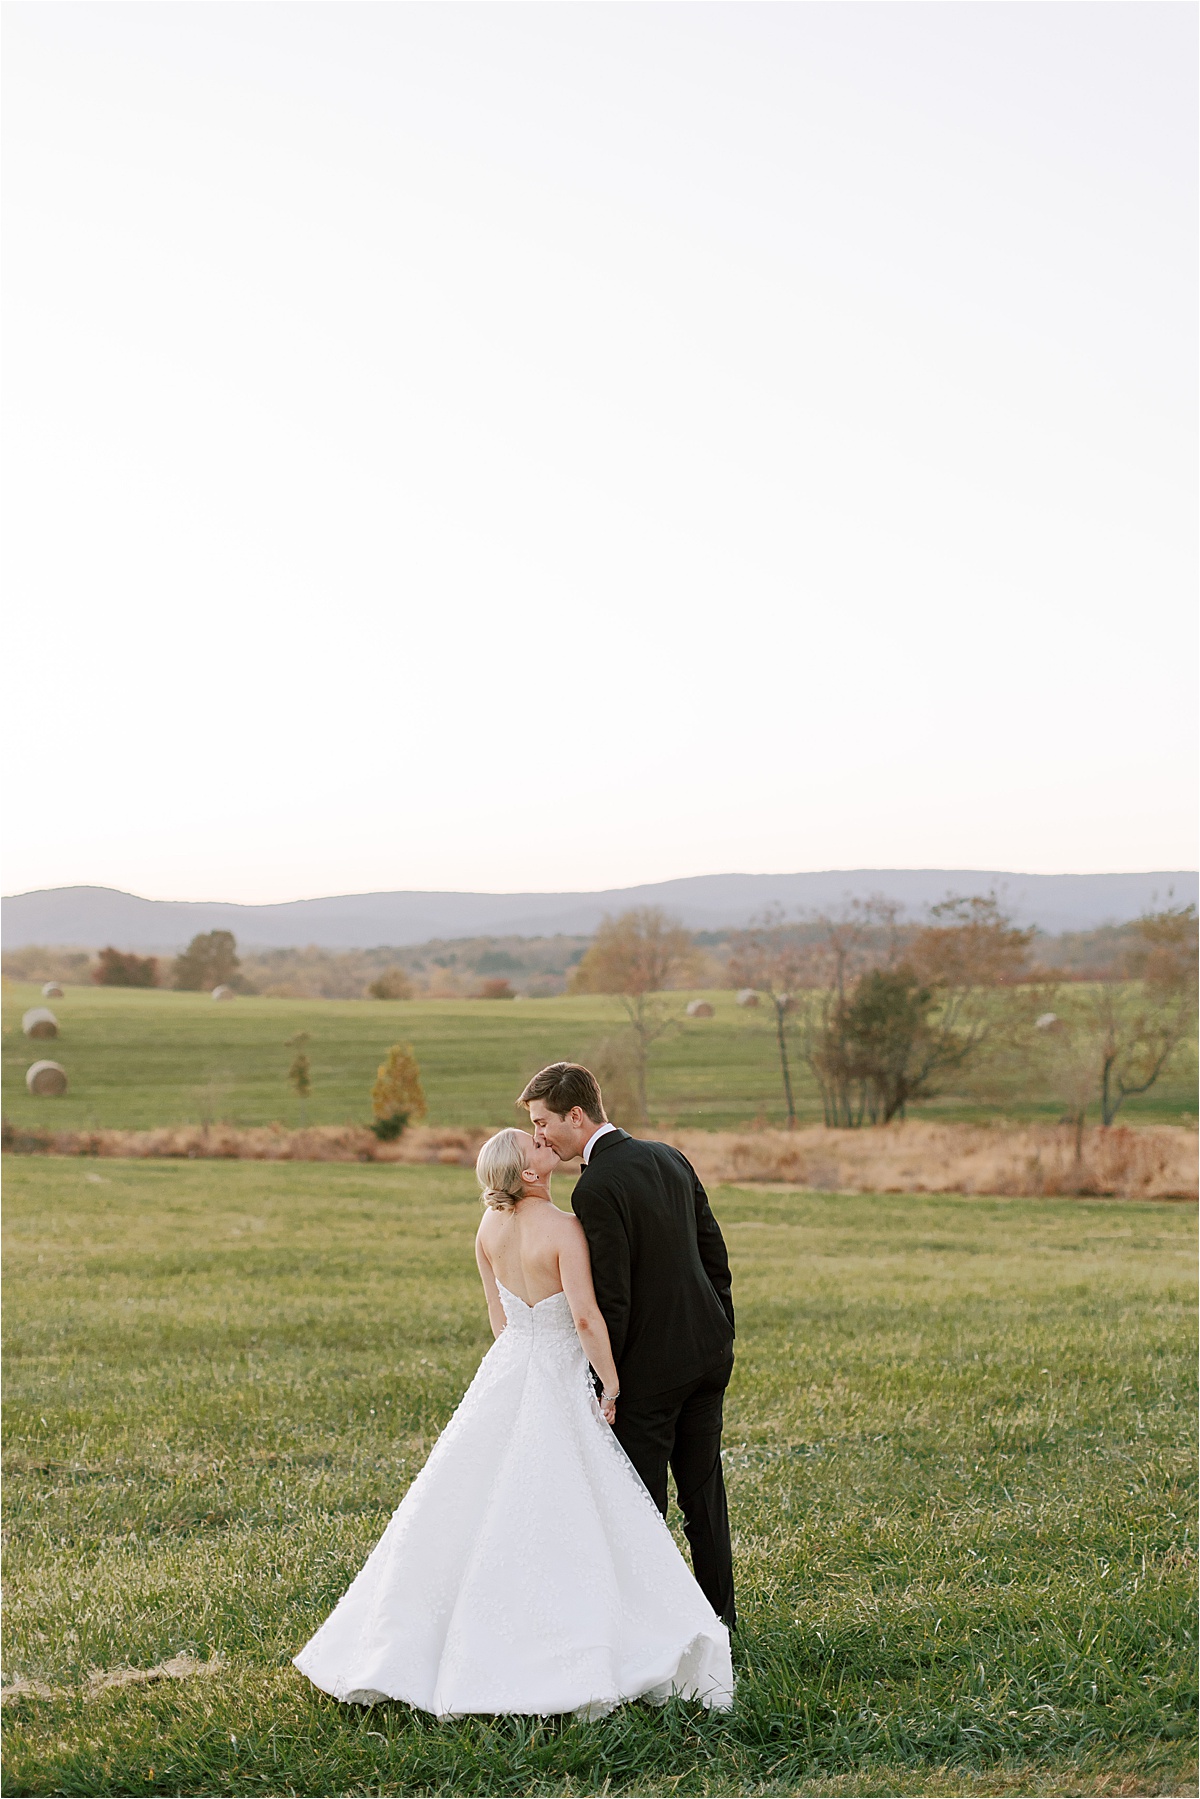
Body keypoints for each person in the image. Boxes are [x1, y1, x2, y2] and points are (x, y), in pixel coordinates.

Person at [293, 1126, 732, 1718]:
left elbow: (500, 1319)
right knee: (571, 1505)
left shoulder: (486, 1229)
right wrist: (612, 1381)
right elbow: (583, 1319)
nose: (542, 1142)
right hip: (558, 1372)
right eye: (533, 1146)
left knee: (477, 1501)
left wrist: (524, 1364)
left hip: (511, 1371)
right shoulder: (563, 1229)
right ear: (528, 1174)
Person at [519, 1062, 737, 1629]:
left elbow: (610, 1299)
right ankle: (720, 1622)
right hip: (707, 1357)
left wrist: (604, 1384)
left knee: (641, 1508)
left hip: (647, 1374)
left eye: (543, 1123)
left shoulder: (595, 1187)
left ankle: (660, 1632)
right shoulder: (669, 1155)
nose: (539, 1136)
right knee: (704, 1497)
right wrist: (721, 1328)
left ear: (575, 1114)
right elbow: (715, 1255)